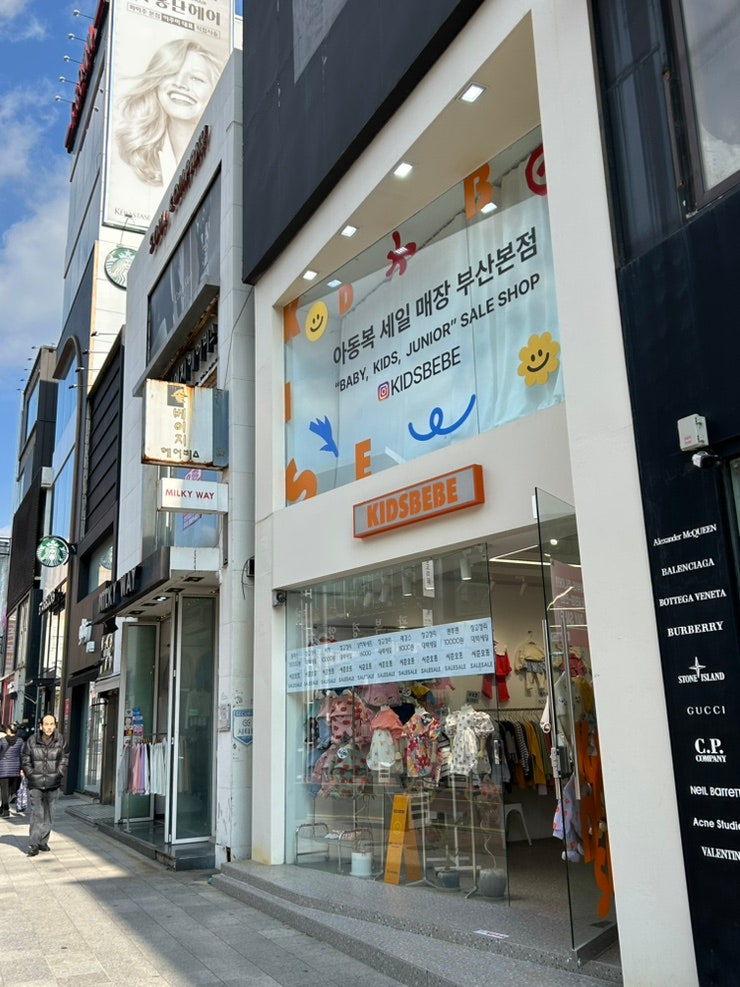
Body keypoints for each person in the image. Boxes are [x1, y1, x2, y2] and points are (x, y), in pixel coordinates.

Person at [114, 39, 223, 188]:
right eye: (171, 73)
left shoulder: (223, 150)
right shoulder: (140, 160)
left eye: (196, 78)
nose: (180, 84)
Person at [21, 715, 69, 857]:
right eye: (46, 724)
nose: (49, 727)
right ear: (41, 726)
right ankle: (34, 844)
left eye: (51, 724)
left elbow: (64, 758)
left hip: (53, 783)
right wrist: (31, 774)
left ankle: (43, 841)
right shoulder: (32, 740)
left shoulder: (61, 740)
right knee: (37, 813)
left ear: (55, 725)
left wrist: (59, 773)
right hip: (35, 783)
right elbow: (25, 759)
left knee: (49, 814)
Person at [0, 723, 24, 816]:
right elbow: (22, 755)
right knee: (11, 789)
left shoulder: (2, 741)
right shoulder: (20, 741)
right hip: (15, 769)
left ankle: (5, 809)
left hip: (3, 768)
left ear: (8, 731)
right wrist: (22, 768)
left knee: (4, 789)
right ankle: (3, 807)